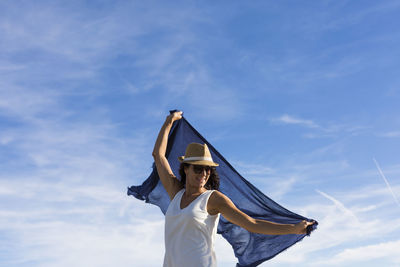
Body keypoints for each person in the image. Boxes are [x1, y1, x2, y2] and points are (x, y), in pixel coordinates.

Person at [152, 111, 315, 267]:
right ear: (186, 168)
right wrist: (169, 122)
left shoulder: (212, 199)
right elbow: (158, 156)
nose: (204, 173)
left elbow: (252, 223)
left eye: (207, 169)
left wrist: (293, 228)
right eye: (198, 169)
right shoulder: (176, 192)